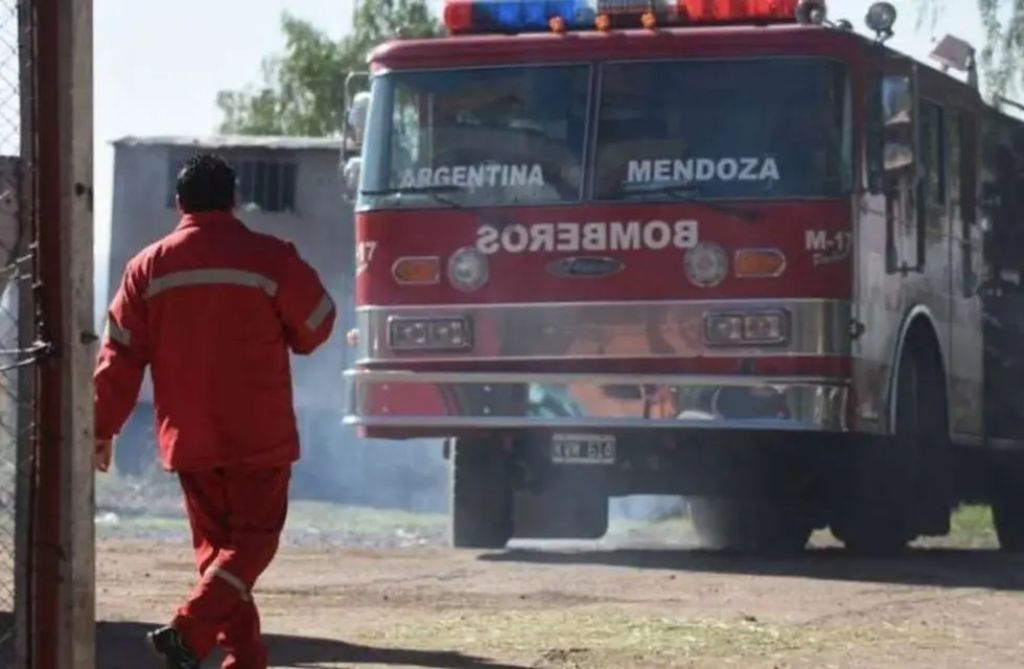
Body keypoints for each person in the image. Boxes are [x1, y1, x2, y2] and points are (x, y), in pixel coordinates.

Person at [94, 153, 336, 668]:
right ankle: (189, 629)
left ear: (179, 202)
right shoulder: (270, 257)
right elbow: (317, 323)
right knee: (252, 547)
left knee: (217, 553)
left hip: (191, 438)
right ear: (234, 199)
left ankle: (244, 659)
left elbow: (119, 356)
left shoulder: (147, 267)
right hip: (259, 435)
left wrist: (101, 426)